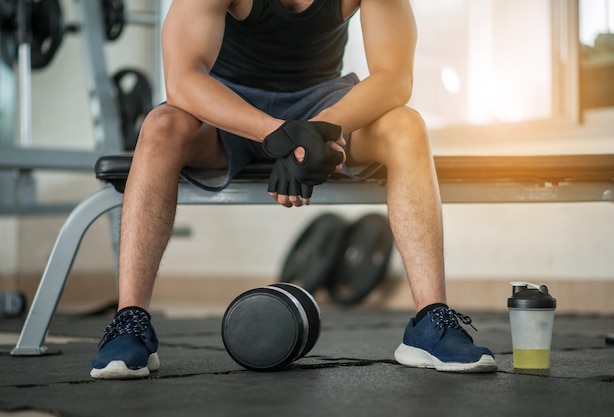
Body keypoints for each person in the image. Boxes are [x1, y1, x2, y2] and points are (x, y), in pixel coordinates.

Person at [90, 0, 497, 379]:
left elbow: (394, 79)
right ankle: (131, 321)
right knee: (160, 127)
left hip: (325, 104)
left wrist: (318, 130)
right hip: (228, 105)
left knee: (406, 126)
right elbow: (183, 80)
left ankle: (430, 322)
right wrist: (280, 135)